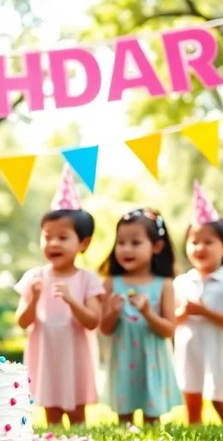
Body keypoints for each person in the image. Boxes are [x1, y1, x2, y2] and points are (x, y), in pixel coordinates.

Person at [15, 167, 103, 427]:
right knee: (50, 407)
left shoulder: (88, 279)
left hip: (75, 350)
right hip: (46, 349)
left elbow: (93, 321)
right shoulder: (34, 277)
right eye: (47, 237)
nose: (53, 244)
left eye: (63, 237)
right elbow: (23, 321)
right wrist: (34, 298)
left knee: (77, 410)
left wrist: (71, 300)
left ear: (83, 243)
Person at [99, 207, 181, 425]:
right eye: (121, 242)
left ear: (156, 246)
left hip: (152, 360)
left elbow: (169, 330)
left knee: (152, 419)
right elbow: (104, 329)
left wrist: (147, 312)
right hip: (124, 359)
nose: (127, 249)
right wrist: (113, 312)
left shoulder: (163, 285)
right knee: (124, 418)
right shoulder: (110, 283)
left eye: (135, 243)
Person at [174, 182, 223, 424]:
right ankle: (194, 440)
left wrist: (204, 311)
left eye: (208, 242)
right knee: (191, 399)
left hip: (216, 351)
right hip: (190, 350)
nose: (199, 248)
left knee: (219, 400)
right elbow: (172, 320)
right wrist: (184, 312)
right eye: (194, 242)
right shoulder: (183, 282)